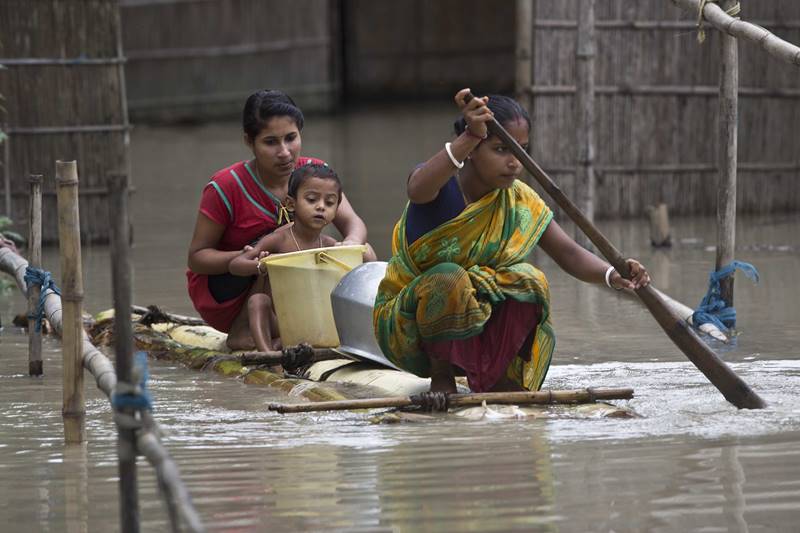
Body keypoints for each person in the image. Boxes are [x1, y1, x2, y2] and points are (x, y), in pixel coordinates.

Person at [373, 88, 650, 394]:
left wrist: (614, 273)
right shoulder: (441, 186)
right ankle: (442, 376)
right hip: (411, 326)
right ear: (475, 148)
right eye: (501, 149)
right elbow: (416, 189)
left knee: (530, 280)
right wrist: (470, 136)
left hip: (476, 319)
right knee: (448, 278)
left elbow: (568, 252)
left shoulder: (518, 200)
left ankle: (499, 376)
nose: (514, 163)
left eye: (521, 151)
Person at [187, 89, 369, 351]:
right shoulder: (225, 186)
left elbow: (354, 224)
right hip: (231, 288)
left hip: (291, 284)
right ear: (250, 141)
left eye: (291, 138)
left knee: (362, 251)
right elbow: (197, 258)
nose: (285, 152)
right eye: (271, 142)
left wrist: (349, 244)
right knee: (281, 248)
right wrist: (249, 259)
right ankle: (242, 331)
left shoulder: (316, 173)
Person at [229, 163, 376, 354]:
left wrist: (359, 250)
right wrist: (260, 266)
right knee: (258, 301)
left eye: (330, 203)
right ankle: (269, 356)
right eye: (312, 199)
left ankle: (286, 345)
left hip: (316, 323)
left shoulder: (330, 244)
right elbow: (235, 265)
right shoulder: (279, 239)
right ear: (291, 204)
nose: (321, 207)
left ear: (336, 209)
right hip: (279, 320)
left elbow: (370, 263)